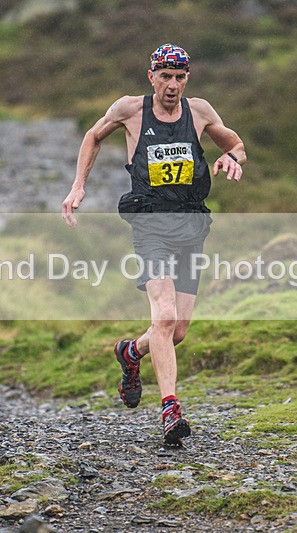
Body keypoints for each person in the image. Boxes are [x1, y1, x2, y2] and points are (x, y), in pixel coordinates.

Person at [61, 43, 245, 445]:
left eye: (180, 78)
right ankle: (170, 410)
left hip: (191, 224)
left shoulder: (199, 112)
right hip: (149, 224)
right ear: (152, 77)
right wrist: (79, 187)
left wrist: (232, 157)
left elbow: (234, 142)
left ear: (187, 79)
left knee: (176, 331)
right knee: (162, 316)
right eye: (165, 77)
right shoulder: (130, 110)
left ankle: (131, 353)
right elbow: (93, 137)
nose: (173, 85)